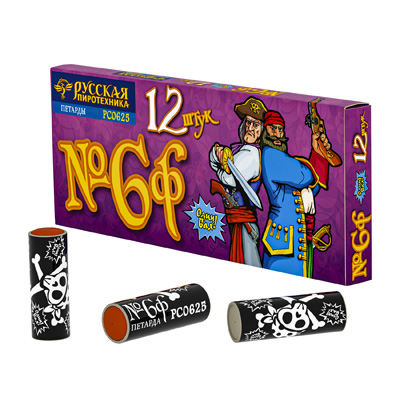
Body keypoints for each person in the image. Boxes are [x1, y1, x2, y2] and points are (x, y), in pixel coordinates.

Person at [260, 110, 331, 277]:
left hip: (297, 241)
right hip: (281, 241)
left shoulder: (284, 160)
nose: (277, 134)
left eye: (280, 129)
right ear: (265, 131)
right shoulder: (270, 155)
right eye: (272, 129)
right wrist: (308, 166)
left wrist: (318, 152)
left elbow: (311, 189)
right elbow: (304, 176)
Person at [209, 97, 267, 267]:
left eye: (256, 124)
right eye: (248, 122)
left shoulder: (252, 154)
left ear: (262, 130)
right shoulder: (238, 149)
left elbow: (229, 179)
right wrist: (218, 152)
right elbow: (215, 160)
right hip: (236, 218)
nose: (250, 128)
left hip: (245, 221)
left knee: (249, 263)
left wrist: (219, 168)